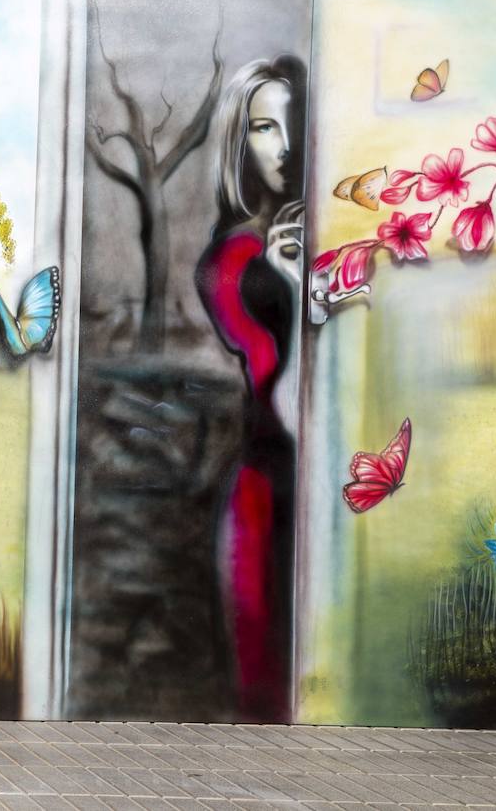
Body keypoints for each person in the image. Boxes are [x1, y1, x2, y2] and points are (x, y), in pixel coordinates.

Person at [194, 55, 307, 723]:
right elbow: (286, 404)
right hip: (264, 503)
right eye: (266, 128)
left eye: (293, 127)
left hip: (306, 497)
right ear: (238, 141)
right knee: (266, 699)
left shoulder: (303, 238)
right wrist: (290, 284)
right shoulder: (232, 262)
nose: (286, 148)